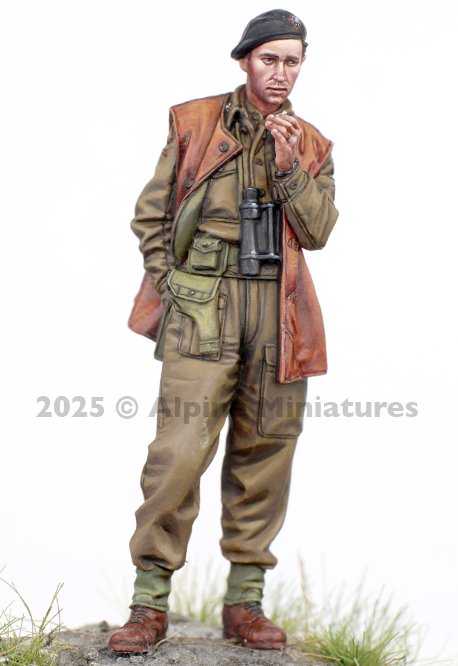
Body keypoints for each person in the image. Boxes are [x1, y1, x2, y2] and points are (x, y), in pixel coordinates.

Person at [108, 8, 339, 653]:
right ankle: (149, 603)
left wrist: (289, 167)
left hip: (279, 310)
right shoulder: (195, 122)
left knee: (266, 453)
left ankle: (245, 602)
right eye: (270, 59)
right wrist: (172, 286)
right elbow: (151, 216)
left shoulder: (313, 144)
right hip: (203, 304)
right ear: (245, 60)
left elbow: (319, 231)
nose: (281, 73)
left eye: (292, 61)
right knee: (178, 453)